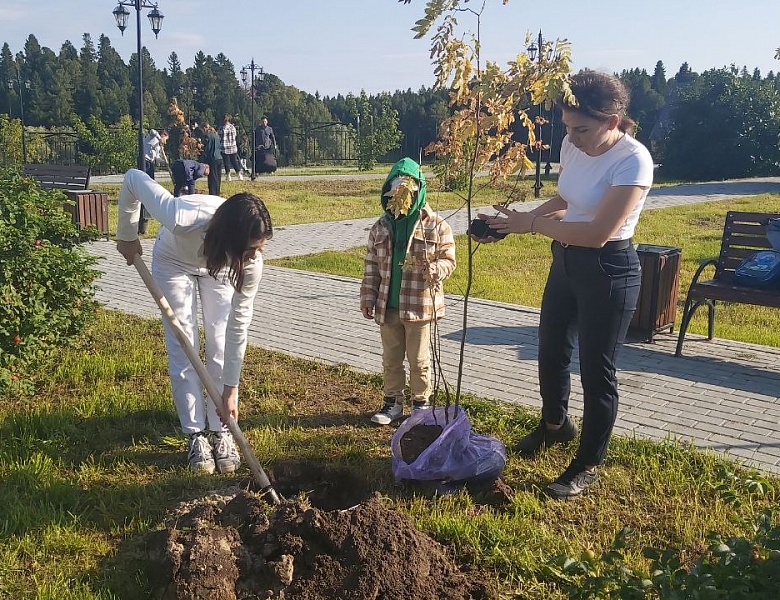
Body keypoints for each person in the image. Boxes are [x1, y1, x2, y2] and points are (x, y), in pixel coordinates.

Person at [473, 70, 654, 499]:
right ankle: (555, 427)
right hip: (567, 264)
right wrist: (511, 224)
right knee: (551, 351)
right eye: (567, 128)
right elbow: (567, 200)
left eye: (581, 129)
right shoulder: (574, 145)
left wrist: (531, 224)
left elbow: (597, 233)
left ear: (612, 121)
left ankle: (588, 461)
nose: (571, 139)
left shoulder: (633, 160)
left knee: (597, 372)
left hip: (608, 271)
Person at [115, 169, 274, 474]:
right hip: (174, 261)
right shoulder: (180, 217)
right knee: (183, 342)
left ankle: (221, 430)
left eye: (260, 247)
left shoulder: (249, 263)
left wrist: (231, 390)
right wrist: (127, 234)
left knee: (218, 338)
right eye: (251, 248)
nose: (256, 256)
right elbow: (134, 179)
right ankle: (196, 435)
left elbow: (237, 328)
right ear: (232, 239)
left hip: (222, 267)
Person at [360, 158, 456, 425]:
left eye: (406, 195)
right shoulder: (380, 227)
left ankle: (421, 405)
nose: (400, 202)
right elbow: (371, 265)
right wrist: (368, 296)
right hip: (388, 305)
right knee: (391, 358)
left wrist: (436, 268)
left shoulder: (435, 226)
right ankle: (392, 402)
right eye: (394, 196)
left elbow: (449, 259)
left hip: (419, 305)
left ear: (417, 192)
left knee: (418, 359)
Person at [140, 128, 169, 233]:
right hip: (145, 161)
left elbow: (156, 158)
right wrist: (159, 138)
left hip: (151, 162)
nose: (166, 142)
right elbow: (152, 130)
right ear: (163, 135)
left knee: (151, 182)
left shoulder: (158, 147)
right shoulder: (153, 137)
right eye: (166, 139)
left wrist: (164, 162)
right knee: (146, 181)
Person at [219, 114, 244, 181]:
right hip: (232, 146)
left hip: (224, 147)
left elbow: (220, 137)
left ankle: (228, 175)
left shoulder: (221, 128)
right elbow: (235, 136)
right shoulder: (233, 127)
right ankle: (239, 174)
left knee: (226, 162)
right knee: (234, 161)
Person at [200, 122, 222, 195]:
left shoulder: (208, 136)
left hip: (212, 158)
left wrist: (203, 159)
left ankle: (213, 193)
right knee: (218, 178)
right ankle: (217, 192)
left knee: (212, 178)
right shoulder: (216, 135)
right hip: (219, 157)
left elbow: (207, 149)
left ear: (204, 128)